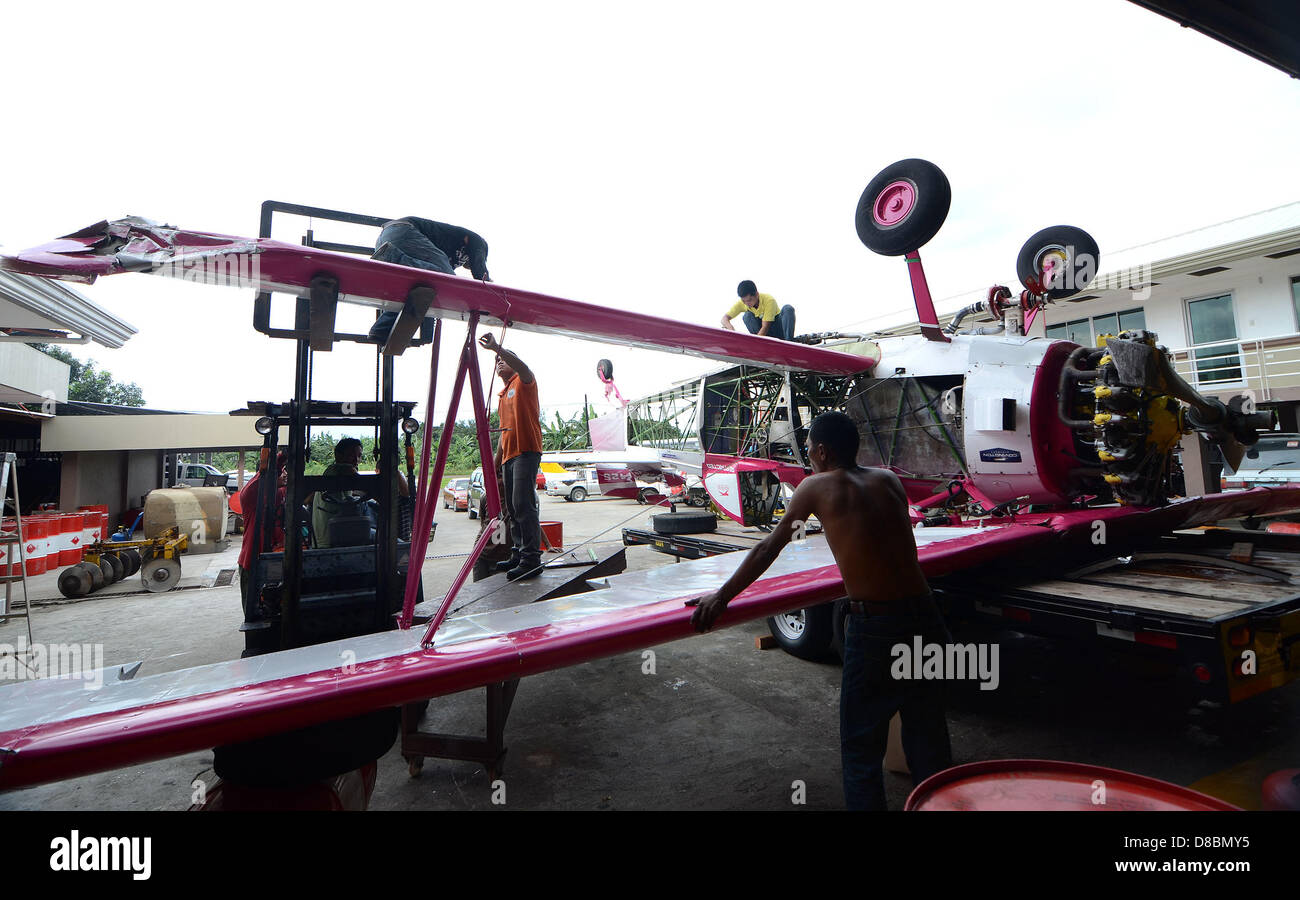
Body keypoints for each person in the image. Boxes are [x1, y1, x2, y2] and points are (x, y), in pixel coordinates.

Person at [691, 411, 952, 809]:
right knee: (928, 738)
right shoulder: (888, 479)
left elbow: (766, 548)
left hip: (877, 628)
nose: (808, 454)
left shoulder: (816, 486)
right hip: (926, 616)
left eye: (810, 447)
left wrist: (722, 596)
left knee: (862, 748)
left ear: (823, 451)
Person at [478, 333, 543, 581]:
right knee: (514, 508)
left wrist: (497, 347)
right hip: (510, 455)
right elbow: (503, 435)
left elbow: (523, 366)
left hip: (526, 451)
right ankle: (518, 553)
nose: (499, 363)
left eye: (503, 359)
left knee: (524, 505)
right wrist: (496, 464)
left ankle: (531, 559)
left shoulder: (524, 382)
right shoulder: (504, 395)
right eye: (496, 362)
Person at [369, 216, 491, 341]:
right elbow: (480, 272)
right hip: (403, 230)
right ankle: (389, 256)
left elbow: (435, 287)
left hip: (389, 238)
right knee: (447, 280)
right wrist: (492, 296)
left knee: (426, 286)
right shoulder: (476, 241)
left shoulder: (437, 254)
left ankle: (381, 329)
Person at [237, 452, 287, 615]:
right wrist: (282, 455)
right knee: (256, 610)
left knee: (275, 605)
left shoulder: (280, 493)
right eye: (281, 471)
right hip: (254, 561)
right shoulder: (251, 494)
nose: (284, 474)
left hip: (275, 559)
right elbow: (267, 473)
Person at [311, 437, 365, 548]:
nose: (356, 460)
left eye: (359, 456)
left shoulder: (334, 475)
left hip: (335, 534)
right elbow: (365, 484)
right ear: (338, 455)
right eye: (351, 455)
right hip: (331, 538)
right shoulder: (339, 469)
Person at [721, 280, 797, 341]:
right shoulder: (743, 303)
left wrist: (754, 343)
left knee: (788, 308)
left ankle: (789, 342)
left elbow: (765, 327)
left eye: (749, 300)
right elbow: (724, 319)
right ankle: (761, 344)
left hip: (778, 330)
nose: (747, 303)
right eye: (744, 301)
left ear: (756, 294)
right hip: (763, 336)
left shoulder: (769, 300)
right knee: (747, 316)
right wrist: (732, 331)